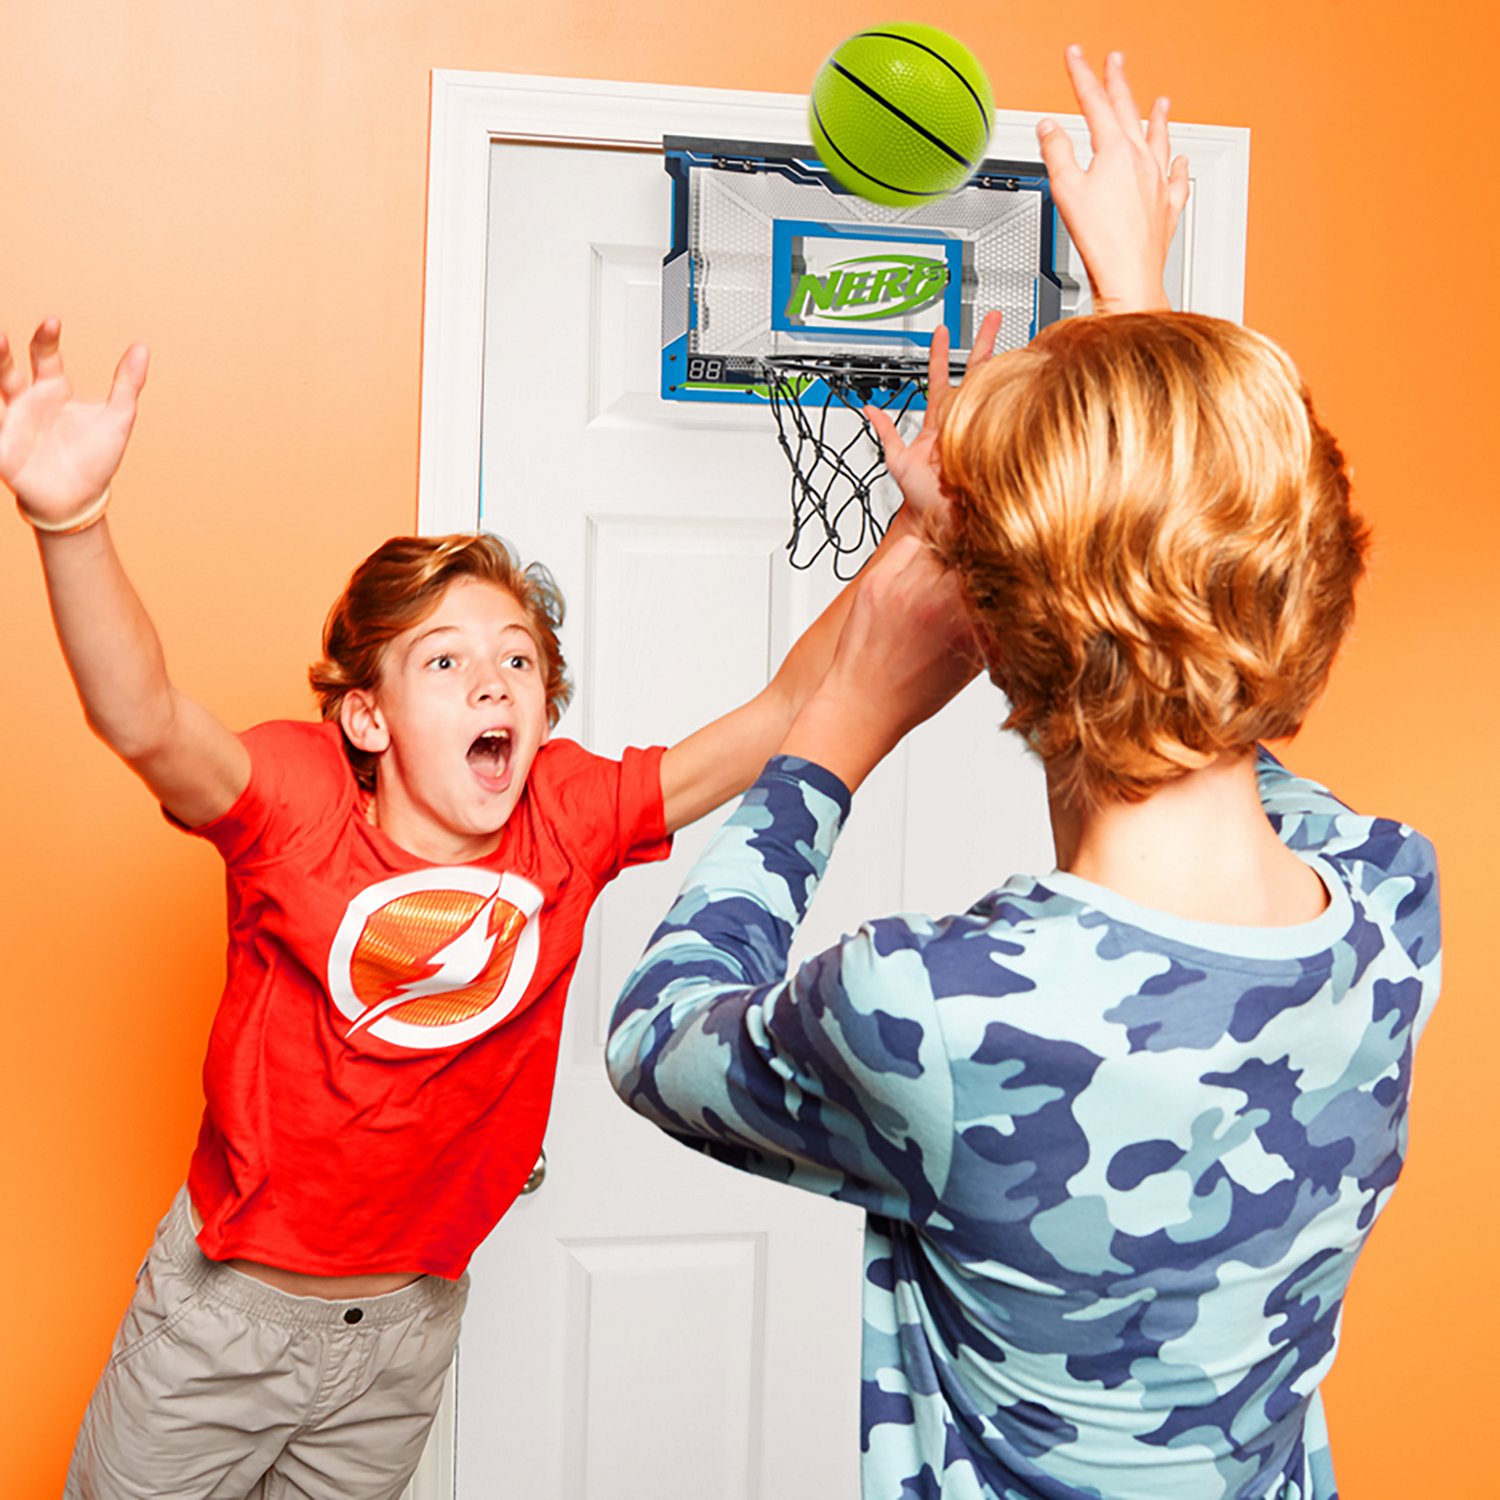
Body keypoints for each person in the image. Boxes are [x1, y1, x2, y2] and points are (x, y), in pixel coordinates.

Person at [605, 51, 1441, 1500]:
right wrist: (1135, 305)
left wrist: (843, 719)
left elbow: (656, 1037)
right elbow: (1206, 631)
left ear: (994, 631)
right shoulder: (1391, 904)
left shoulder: (935, 1014)